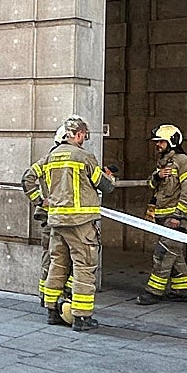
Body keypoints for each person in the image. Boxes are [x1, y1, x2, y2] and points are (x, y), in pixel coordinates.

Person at [41, 116, 116, 332]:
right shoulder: (84, 157)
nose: (84, 138)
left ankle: (52, 311)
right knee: (84, 267)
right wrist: (109, 178)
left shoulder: (50, 157)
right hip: (80, 222)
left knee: (58, 264)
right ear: (79, 134)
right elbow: (104, 186)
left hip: (57, 221)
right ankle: (82, 317)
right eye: (83, 135)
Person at [136, 124, 187, 305]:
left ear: (172, 141)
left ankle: (153, 291)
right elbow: (152, 185)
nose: (158, 145)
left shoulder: (184, 162)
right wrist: (157, 176)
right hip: (162, 216)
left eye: (161, 141)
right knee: (175, 255)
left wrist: (178, 216)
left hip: (175, 218)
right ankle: (182, 290)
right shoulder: (163, 164)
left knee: (162, 255)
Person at [22, 125, 71, 304]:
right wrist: (41, 201)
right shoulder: (60, 160)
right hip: (58, 218)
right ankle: (55, 295)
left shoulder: (47, 160)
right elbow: (27, 179)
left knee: (50, 256)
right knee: (59, 257)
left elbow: (27, 178)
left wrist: (40, 201)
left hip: (51, 217)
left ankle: (46, 296)